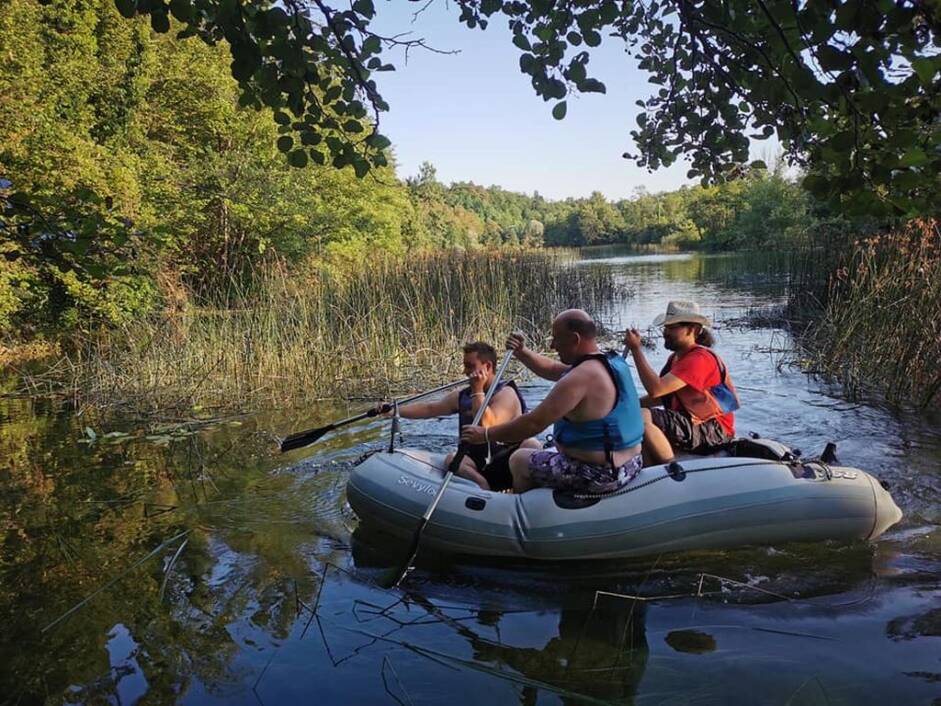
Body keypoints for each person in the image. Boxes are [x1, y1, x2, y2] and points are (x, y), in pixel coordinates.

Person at [461, 310, 644, 495]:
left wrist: (485, 434)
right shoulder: (609, 361)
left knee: (519, 459)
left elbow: (533, 423)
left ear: (575, 339)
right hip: (631, 463)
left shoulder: (581, 377)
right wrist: (522, 352)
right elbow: (554, 369)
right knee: (538, 449)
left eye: (556, 338)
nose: (552, 344)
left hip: (600, 474)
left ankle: (522, 513)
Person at [382, 341, 536, 491]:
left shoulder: (506, 395)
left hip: (508, 463)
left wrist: (478, 391)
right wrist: (394, 410)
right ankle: (483, 487)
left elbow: (488, 426)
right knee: (452, 459)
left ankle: (517, 495)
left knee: (531, 445)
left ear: (487, 366)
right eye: (465, 365)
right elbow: (430, 409)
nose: (465, 371)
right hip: (478, 463)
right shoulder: (463, 395)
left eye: (470, 366)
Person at [623, 300, 739, 465]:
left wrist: (636, 350)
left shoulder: (700, 359)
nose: (665, 332)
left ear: (693, 330)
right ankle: (647, 471)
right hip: (692, 423)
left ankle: (672, 469)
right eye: (666, 327)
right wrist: (630, 405)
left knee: (642, 417)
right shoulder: (676, 358)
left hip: (714, 431)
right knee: (639, 412)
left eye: (672, 328)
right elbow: (662, 396)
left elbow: (656, 389)